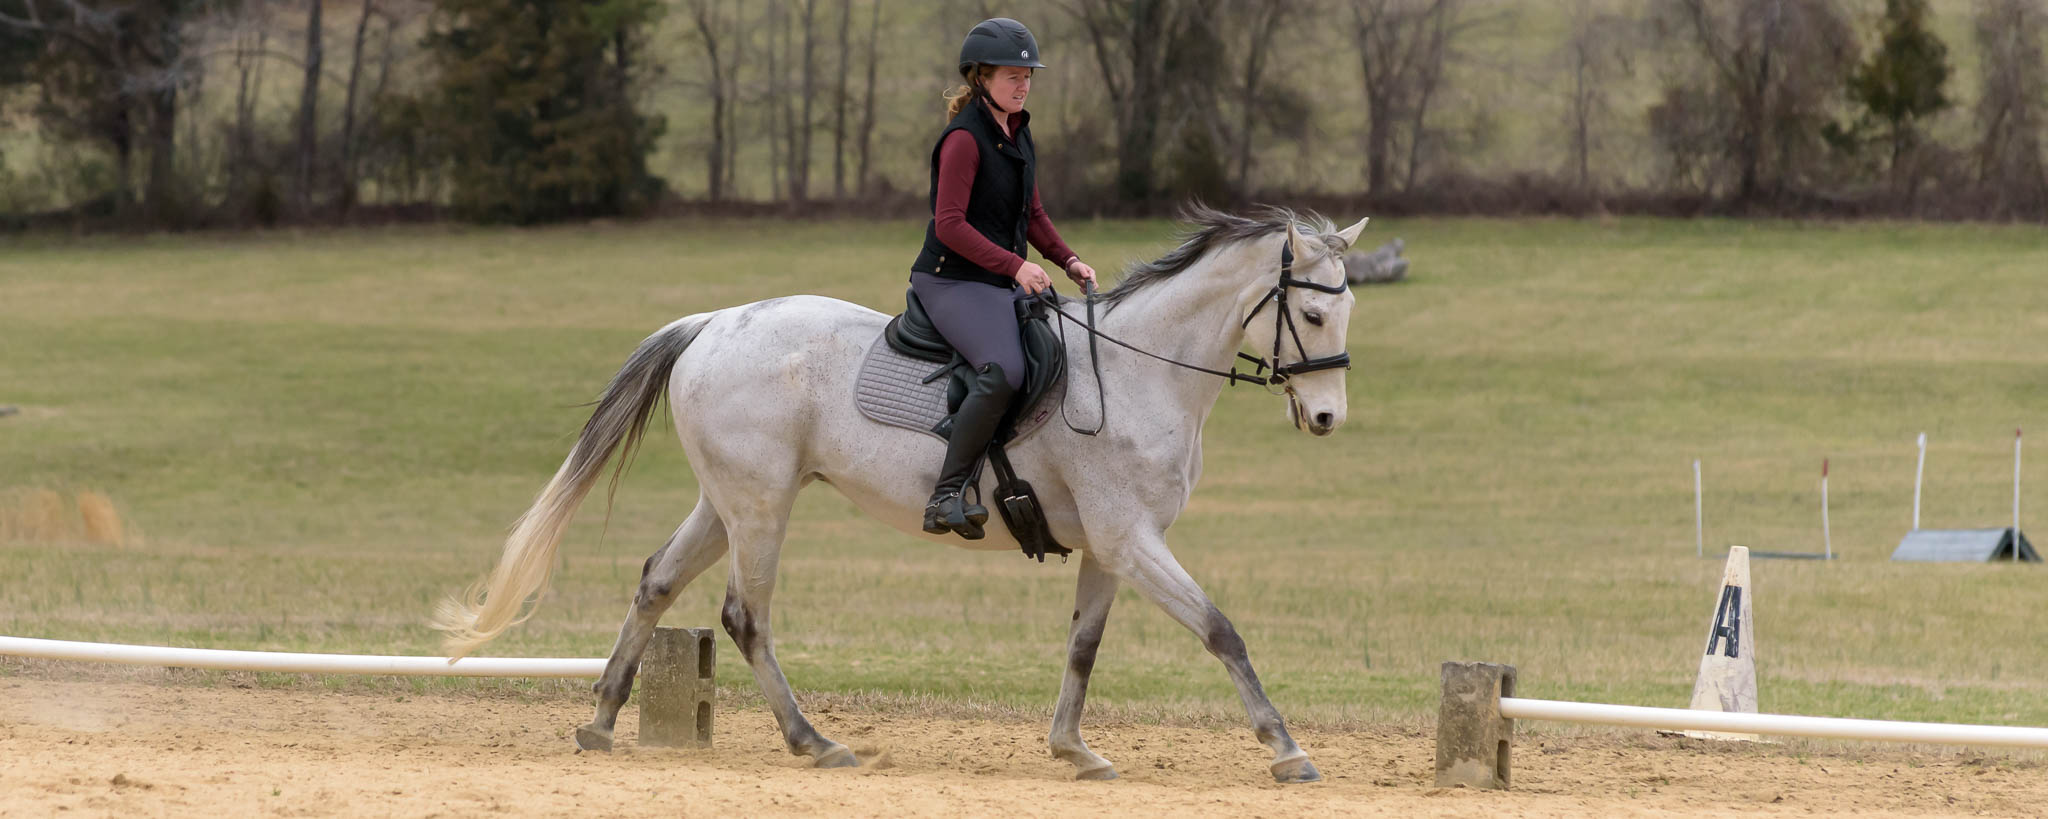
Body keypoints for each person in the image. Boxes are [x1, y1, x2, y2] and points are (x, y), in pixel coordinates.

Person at [910, 17, 1096, 540]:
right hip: (950, 280)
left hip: (994, 279)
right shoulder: (964, 141)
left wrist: (1068, 259)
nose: (1023, 84)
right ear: (980, 79)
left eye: (1028, 75)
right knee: (1004, 369)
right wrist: (1016, 265)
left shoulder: (1017, 130)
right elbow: (949, 225)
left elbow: (1031, 214)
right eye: (1013, 76)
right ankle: (945, 493)